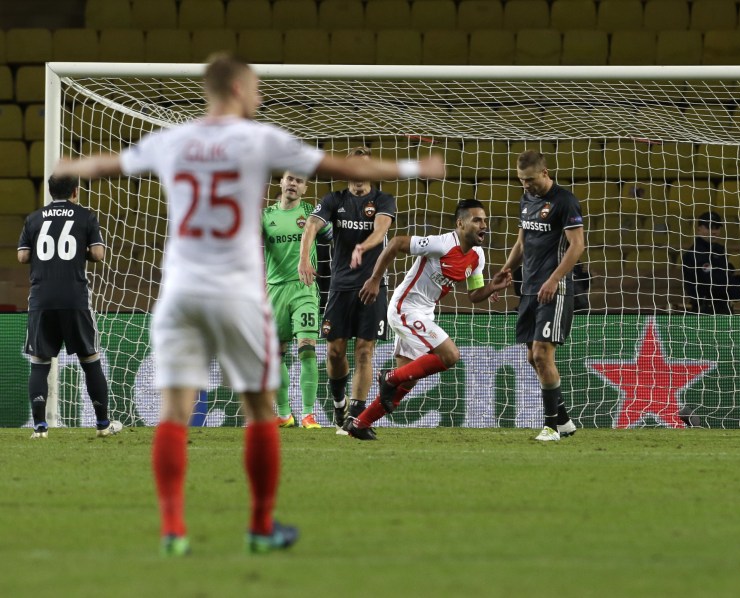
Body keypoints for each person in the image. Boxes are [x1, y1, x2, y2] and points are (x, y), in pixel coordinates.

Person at [52, 53, 445, 556]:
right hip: (236, 292)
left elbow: (103, 165)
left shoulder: (173, 140)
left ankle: (173, 528)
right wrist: (414, 165)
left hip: (180, 292)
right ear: (237, 87)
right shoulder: (260, 140)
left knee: (174, 411)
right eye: (255, 86)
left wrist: (73, 166)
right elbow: (343, 166)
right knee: (260, 410)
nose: (259, 95)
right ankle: (260, 526)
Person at [341, 199, 512, 440]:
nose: (484, 225)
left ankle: (360, 424)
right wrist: (375, 279)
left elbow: (474, 295)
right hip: (405, 307)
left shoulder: (477, 256)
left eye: (485, 220)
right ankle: (387, 377)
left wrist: (493, 286)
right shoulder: (441, 244)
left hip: (425, 312)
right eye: (477, 220)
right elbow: (398, 242)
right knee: (450, 355)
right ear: (460, 224)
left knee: (406, 381)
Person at [298, 147, 396, 434]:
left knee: (364, 351)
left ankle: (355, 416)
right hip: (340, 286)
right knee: (334, 352)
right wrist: (304, 258)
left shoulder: (382, 200)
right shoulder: (334, 199)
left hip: (372, 284)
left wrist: (364, 246)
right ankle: (339, 402)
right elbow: (312, 228)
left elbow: (380, 231)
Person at [17, 175, 123, 440]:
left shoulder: (34, 218)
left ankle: (40, 427)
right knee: (90, 360)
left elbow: (22, 256)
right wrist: (79, 252)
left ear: (50, 191)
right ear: (76, 191)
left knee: (40, 364)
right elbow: (98, 254)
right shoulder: (85, 216)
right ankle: (102, 424)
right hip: (74, 299)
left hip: (41, 299)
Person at [499, 150, 585, 442]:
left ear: (545, 173)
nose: (526, 186)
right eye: (522, 181)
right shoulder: (526, 200)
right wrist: (507, 268)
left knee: (541, 353)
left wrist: (554, 279)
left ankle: (550, 427)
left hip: (555, 290)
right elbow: (522, 242)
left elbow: (577, 245)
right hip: (529, 289)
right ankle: (563, 421)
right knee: (531, 358)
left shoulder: (564, 201)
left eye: (531, 180)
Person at [262, 171, 321, 429]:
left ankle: (308, 414)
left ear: (305, 188)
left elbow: (336, 236)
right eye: (290, 179)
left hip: (304, 288)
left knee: (307, 348)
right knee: (276, 355)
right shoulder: (265, 217)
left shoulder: (313, 215)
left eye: (299, 180)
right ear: (281, 183)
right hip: (274, 291)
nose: (293, 184)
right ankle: (284, 414)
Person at [681, 211, 740, 315]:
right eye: (709, 227)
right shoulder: (694, 254)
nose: (713, 231)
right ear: (699, 229)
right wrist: (731, 286)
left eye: (717, 228)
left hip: (723, 309)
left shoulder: (719, 251)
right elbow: (712, 283)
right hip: (705, 311)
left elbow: (726, 282)